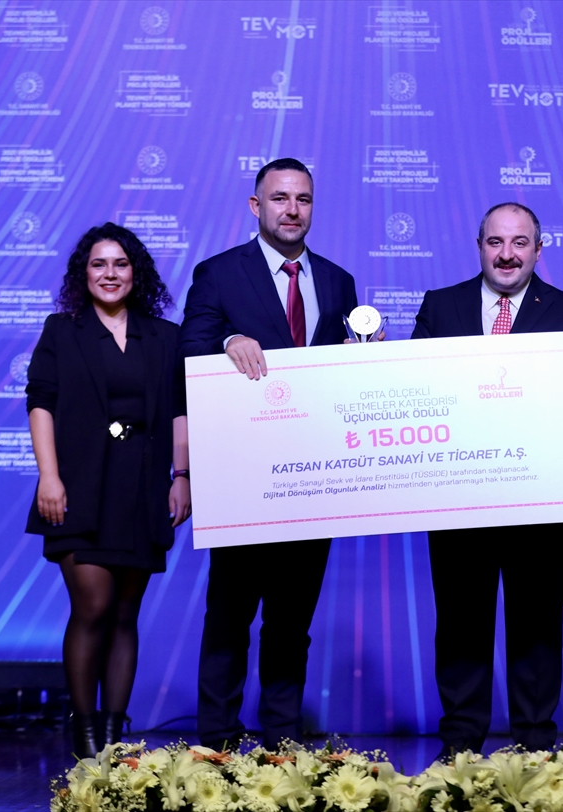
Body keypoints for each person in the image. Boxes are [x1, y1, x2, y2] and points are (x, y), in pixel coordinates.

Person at [411, 202, 563, 757]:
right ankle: (459, 747)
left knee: (537, 625)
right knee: (460, 625)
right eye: (496, 242)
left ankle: (535, 748)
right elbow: (414, 391)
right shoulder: (440, 306)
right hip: (458, 499)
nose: (507, 254)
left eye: (520, 243)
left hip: (540, 501)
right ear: (480, 247)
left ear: (538, 250)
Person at [179, 158, 357, 750]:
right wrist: (229, 339)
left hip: (313, 478)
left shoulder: (337, 281)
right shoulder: (218, 273)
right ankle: (216, 742)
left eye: (303, 199)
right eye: (279, 198)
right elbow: (190, 349)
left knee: (291, 621)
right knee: (229, 618)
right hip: (243, 478)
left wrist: (367, 356)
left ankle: (283, 743)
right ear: (256, 206)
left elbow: (343, 375)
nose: (292, 209)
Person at [26, 223, 191, 758]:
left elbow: (179, 411)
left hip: (141, 487)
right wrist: (49, 476)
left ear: (136, 272)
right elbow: (41, 404)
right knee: (93, 605)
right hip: (77, 486)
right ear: (84, 273)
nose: (110, 273)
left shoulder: (165, 337)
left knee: (124, 614)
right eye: (99, 264)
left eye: (120, 264)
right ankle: (85, 734)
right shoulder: (62, 330)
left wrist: (182, 476)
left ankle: (116, 743)